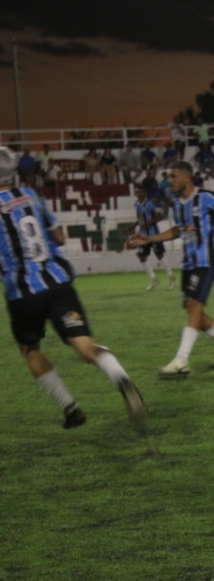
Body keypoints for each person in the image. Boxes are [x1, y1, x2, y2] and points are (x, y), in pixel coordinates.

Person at [0, 147, 146, 427]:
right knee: (86, 347)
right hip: (58, 284)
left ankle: (70, 407)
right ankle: (121, 378)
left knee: (30, 349)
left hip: (23, 293)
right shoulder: (31, 195)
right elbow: (59, 237)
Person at [127, 161, 214, 378]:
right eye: (168, 177)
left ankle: (181, 360)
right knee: (194, 310)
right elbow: (178, 230)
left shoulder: (206, 198)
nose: (169, 181)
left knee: (194, 306)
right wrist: (149, 238)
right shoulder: (176, 203)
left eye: (173, 176)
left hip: (207, 259)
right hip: (189, 262)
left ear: (186, 177)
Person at [132, 185, 175, 291]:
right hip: (143, 236)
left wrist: (149, 223)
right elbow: (141, 218)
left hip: (153, 234)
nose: (139, 194)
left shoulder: (149, 204)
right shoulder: (136, 205)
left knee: (160, 255)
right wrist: (133, 226)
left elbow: (160, 217)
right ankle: (153, 279)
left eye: (141, 192)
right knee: (142, 256)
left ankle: (171, 277)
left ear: (145, 193)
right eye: (137, 192)